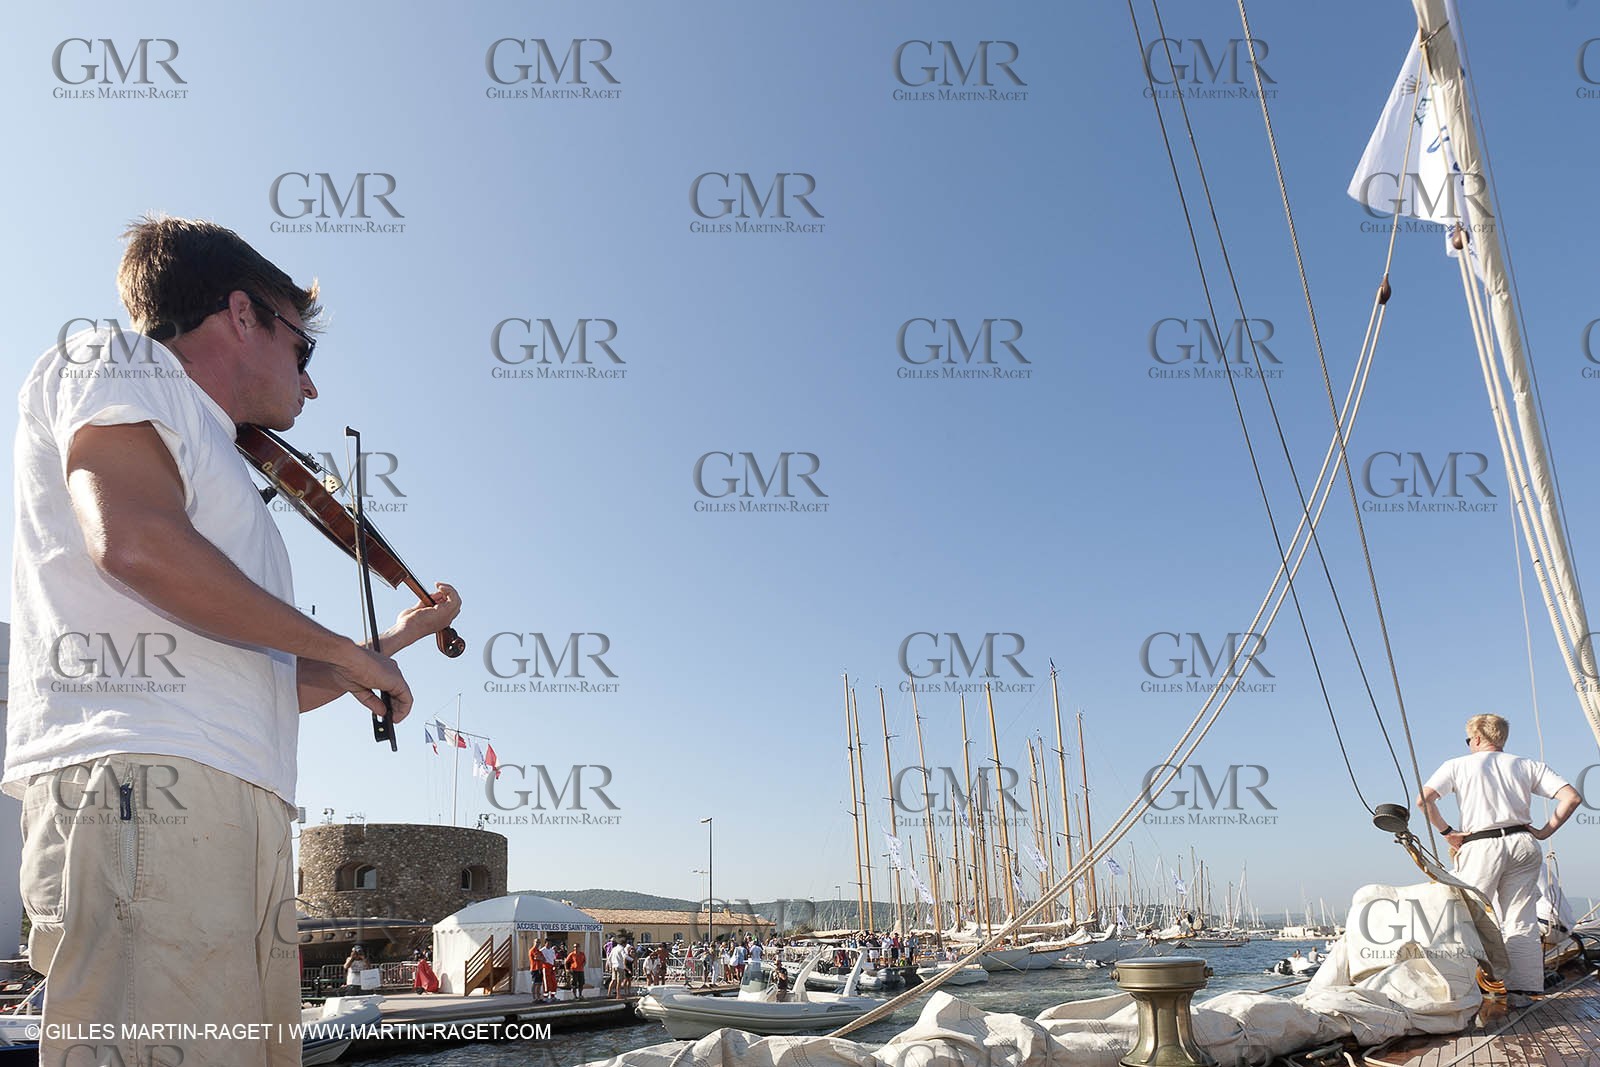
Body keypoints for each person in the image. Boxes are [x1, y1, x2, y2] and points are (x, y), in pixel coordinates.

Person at [4, 216, 462, 1067]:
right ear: (243, 313)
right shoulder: (119, 360)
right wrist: (342, 646)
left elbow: (258, 682)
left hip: (226, 803)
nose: (312, 389)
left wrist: (391, 639)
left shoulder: (219, 457)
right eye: (305, 351)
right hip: (149, 784)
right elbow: (134, 541)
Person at [1418, 713, 1582, 1009]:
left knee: (1464, 916)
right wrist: (1545, 831)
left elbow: (1424, 800)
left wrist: (1448, 832)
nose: (1468, 744)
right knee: (1521, 919)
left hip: (1481, 844)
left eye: (1468, 740)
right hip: (1524, 843)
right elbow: (1570, 797)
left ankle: (1460, 992)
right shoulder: (1528, 765)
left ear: (1478, 738)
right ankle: (1524, 992)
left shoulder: (1456, 765)